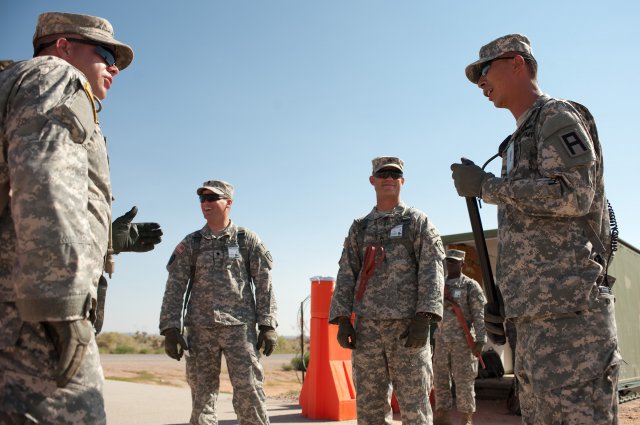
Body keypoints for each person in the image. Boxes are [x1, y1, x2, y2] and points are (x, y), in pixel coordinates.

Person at [451, 34, 620, 424]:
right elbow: (531, 240)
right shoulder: (515, 141)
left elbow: (573, 196)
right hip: (535, 323)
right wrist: (507, 304)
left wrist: (487, 187)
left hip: (571, 321)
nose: (480, 82)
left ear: (517, 64)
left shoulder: (556, 117)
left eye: (485, 69)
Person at [0, 11, 155, 424]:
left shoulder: (18, 84)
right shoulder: (55, 76)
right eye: (105, 52)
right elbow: (44, 178)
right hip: (33, 314)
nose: (114, 66)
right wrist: (62, 303)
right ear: (63, 47)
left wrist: (107, 239)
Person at [329, 156, 445, 425]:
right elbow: (347, 272)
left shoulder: (417, 222)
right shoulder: (360, 227)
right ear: (373, 180)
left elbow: (431, 269)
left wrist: (424, 317)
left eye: (395, 174)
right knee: (369, 408)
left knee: (415, 407)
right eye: (383, 174)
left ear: (403, 181)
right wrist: (343, 319)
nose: (389, 178)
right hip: (367, 330)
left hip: (408, 328)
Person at [159, 180, 278, 425]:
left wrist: (267, 325)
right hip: (201, 330)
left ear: (228, 203)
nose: (206, 203)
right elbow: (175, 286)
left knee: (250, 393)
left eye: (212, 198)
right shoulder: (192, 243)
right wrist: (170, 328)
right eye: (202, 199)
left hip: (240, 330)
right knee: (202, 397)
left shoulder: (246, 240)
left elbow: (264, 283)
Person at [432, 249, 486, 425]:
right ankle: (442, 417)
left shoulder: (470, 286)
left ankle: (466, 418)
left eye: (454, 262)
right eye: (448, 261)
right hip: (441, 340)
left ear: (462, 264)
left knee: (464, 382)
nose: (450, 264)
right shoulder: (439, 285)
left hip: (463, 342)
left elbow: (479, 315)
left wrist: (480, 340)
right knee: (440, 380)